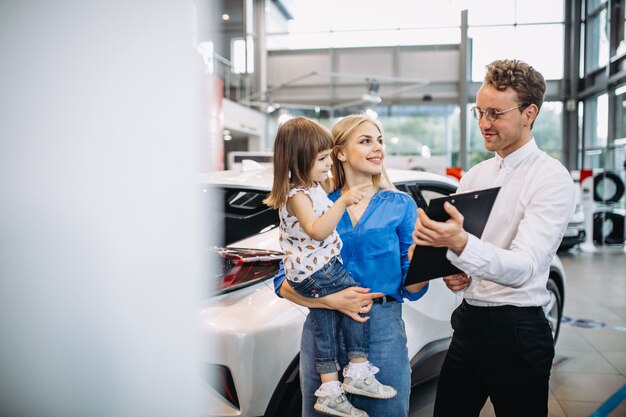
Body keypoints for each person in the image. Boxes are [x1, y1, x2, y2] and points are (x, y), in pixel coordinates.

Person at [411, 59, 576, 417]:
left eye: (495, 113)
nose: (484, 123)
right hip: (469, 325)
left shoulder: (551, 179)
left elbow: (525, 268)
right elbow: (469, 250)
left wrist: (460, 246)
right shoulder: (475, 175)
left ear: (529, 113)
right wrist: (458, 270)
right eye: (479, 112)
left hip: (518, 332)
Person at [274, 114, 429, 417]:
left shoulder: (400, 204)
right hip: (323, 331)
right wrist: (333, 300)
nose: (378, 148)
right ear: (340, 153)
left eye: (380, 141)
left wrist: (424, 264)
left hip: (382, 329)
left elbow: (412, 288)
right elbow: (284, 279)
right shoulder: (314, 202)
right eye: (366, 140)